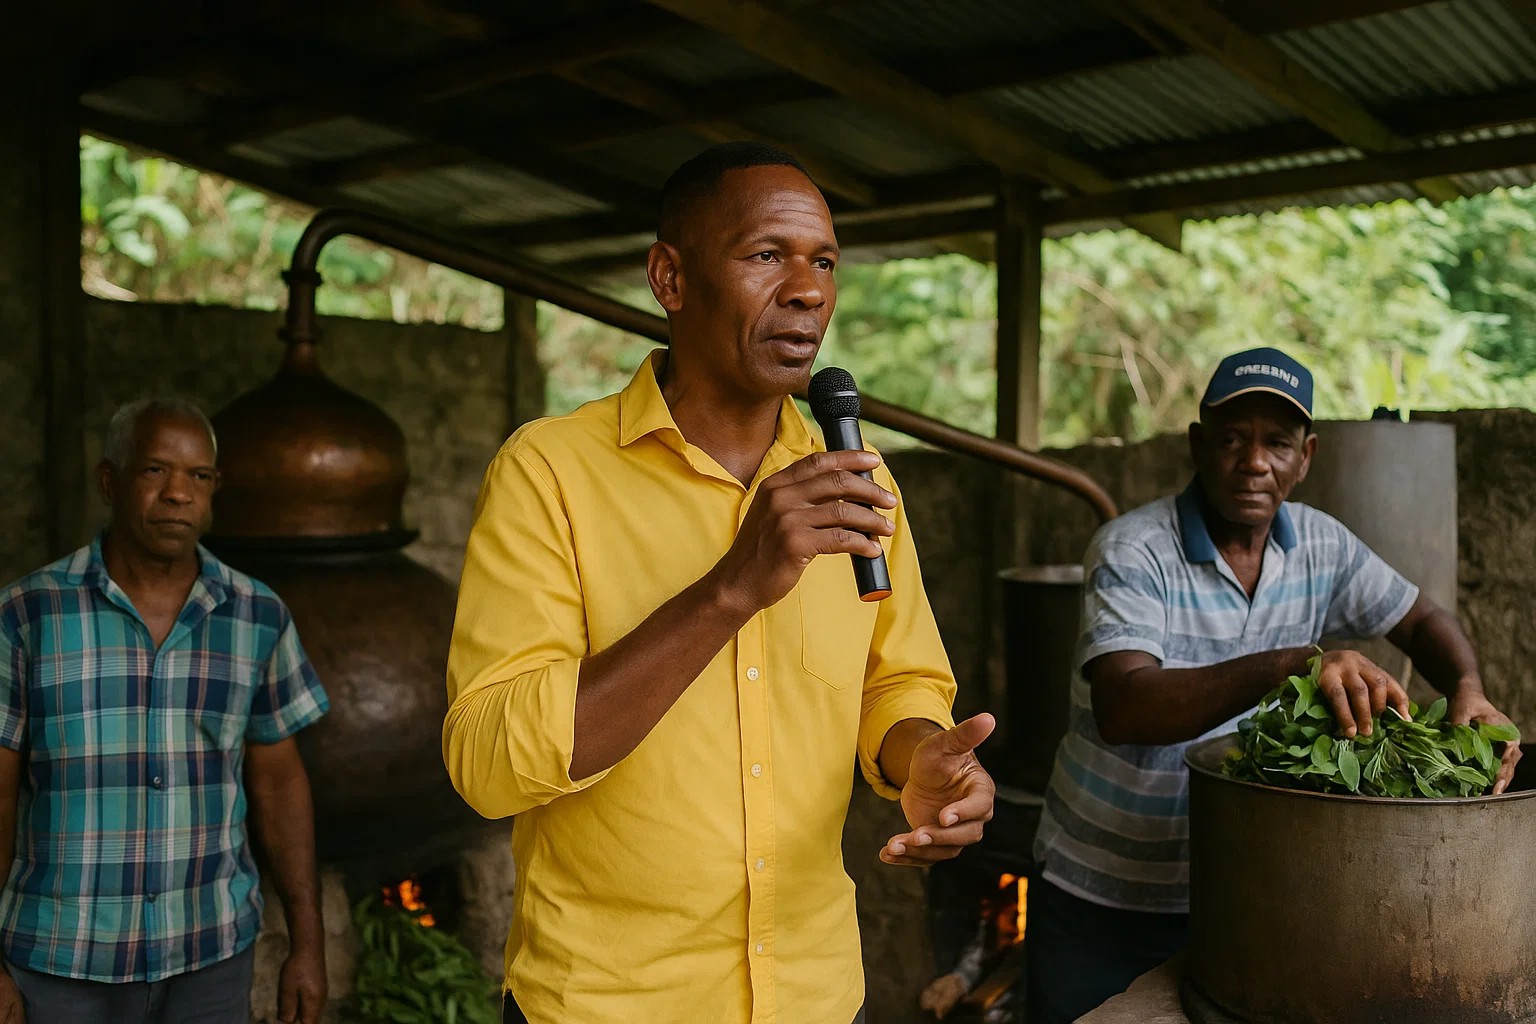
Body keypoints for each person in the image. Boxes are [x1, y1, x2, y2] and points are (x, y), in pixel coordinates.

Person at [444, 142, 997, 1024]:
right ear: (670, 277)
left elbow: (895, 680)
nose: (808, 291)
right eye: (766, 255)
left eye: (824, 263)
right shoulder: (549, 472)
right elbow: (486, 764)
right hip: (609, 1008)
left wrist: (919, 757)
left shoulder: (859, 480)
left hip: (815, 998)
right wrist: (729, 590)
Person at [1026, 348, 1521, 1024]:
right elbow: (1125, 707)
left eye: (1278, 443)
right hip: (1104, 893)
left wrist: (1468, 685)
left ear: (1305, 457)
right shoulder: (1133, 548)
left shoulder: (1321, 545)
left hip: (1236, 890)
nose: (1254, 462)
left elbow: (1421, 619)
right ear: (1198, 445)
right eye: (1232, 439)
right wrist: (1292, 664)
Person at [0, 398, 332, 1024]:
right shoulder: (27, 615)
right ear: (109, 481)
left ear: (214, 489)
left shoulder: (257, 615)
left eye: (198, 475)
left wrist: (307, 946)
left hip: (209, 961)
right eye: (155, 470)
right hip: (60, 964)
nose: (179, 493)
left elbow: (280, 785)